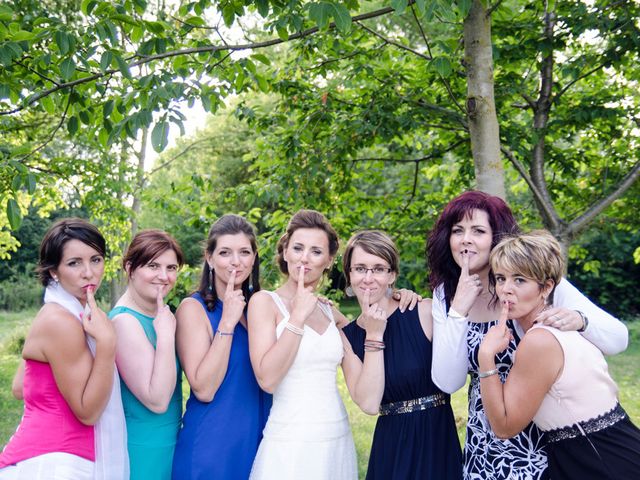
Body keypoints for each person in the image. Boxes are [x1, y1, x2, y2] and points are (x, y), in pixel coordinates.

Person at [426, 191, 629, 480]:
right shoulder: (444, 296)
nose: (465, 239)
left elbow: (618, 339)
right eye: (458, 230)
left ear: (497, 237)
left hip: (544, 438)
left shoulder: (538, 281)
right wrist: (458, 308)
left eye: (478, 231)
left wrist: (581, 320)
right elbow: (448, 381)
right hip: (486, 438)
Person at [478, 230, 640, 480]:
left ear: (546, 287)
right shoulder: (559, 323)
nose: (505, 290)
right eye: (501, 278)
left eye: (519, 280)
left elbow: (504, 426)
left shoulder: (539, 340)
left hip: (598, 461)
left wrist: (486, 357)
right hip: (609, 450)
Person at [0, 218, 128, 480]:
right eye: (74, 263)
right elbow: (88, 412)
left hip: (60, 456)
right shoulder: (61, 321)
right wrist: (106, 345)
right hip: (55, 463)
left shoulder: (62, 312)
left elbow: (18, 386)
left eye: (96, 259)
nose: (89, 272)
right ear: (54, 272)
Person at [341, 230, 462, 479]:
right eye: (360, 268)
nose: (368, 277)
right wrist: (374, 336)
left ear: (392, 275)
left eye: (378, 268)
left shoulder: (424, 312)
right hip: (391, 446)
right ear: (349, 275)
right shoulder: (348, 337)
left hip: (436, 439)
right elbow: (369, 404)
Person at [248, 209, 357, 480]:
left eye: (316, 251)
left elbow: (370, 335)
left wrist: (395, 295)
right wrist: (297, 317)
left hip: (336, 436)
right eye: (297, 248)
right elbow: (267, 379)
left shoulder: (330, 311)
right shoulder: (264, 303)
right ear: (285, 251)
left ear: (329, 260)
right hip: (290, 440)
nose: (304, 258)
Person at [172, 214, 271, 480]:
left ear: (254, 258)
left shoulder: (262, 309)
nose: (236, 262)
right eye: (225, 252)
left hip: (259, 445)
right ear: (210, 258)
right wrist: (226, 322)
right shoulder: (193, 309)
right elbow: (203, 388)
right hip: (212, 449)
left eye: (244, 252)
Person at [110, 230, 184, 479]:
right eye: (153, 266)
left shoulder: (159, 316)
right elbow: (157, 400)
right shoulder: (124, 322)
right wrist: (164, 336)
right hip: (143, 449)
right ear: (130, 268)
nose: (164, 276)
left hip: (170, 442)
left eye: (171, 267)